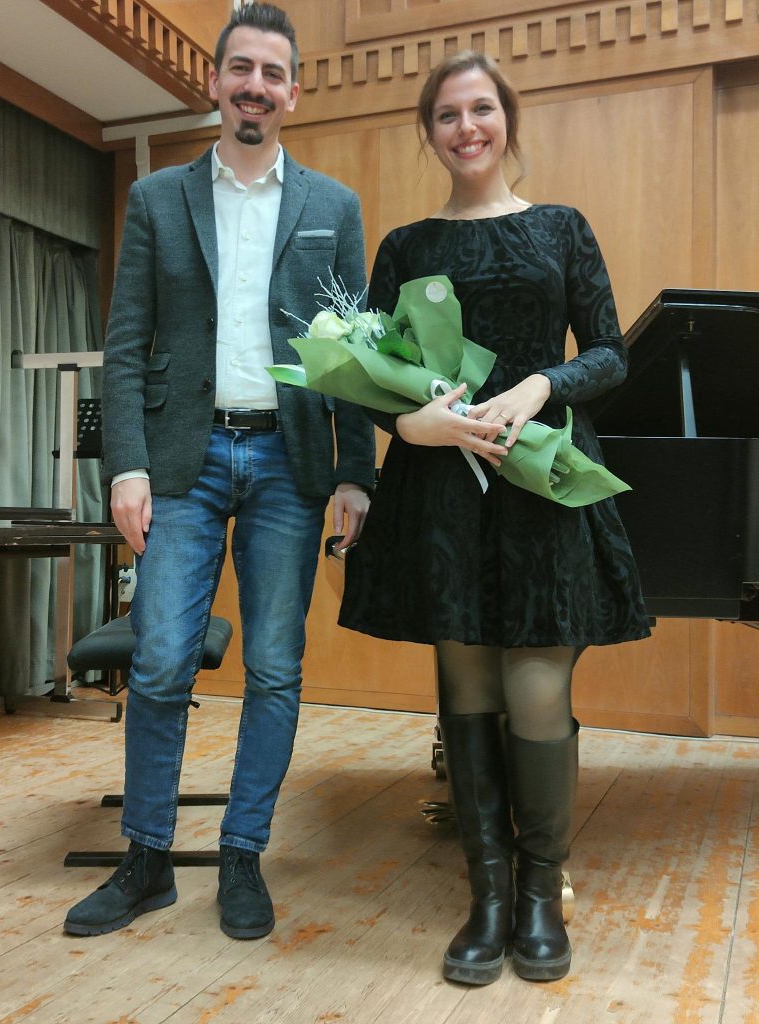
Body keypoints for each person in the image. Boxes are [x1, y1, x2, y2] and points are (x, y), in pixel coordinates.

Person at [338, 52, 650, 985]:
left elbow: (610, 352)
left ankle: (540, 894)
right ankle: (487, 893)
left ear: (507, 119)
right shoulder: (405, 245)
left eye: (481, 109)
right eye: (447, 115)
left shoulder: (561, 227)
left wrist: (542, 384)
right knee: (467, 684)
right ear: (429, 133)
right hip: (444, 490)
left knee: (537, 684)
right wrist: (414, 425)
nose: (466, 127)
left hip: (540, 480)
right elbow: (368, 379)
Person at [64, 2, 374, 940]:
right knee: (161, 659)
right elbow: (127, 344)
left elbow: (357, 354)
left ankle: (242, 856)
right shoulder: (159, 197)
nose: (255, 86)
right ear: (215, 80)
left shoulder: (332, 207)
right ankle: (147, 860)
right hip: (181, 460)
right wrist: (125, 466)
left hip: (290, 460)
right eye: (241, 68)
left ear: (292, 92)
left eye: (273, 73)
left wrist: (355, 472)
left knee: (275, 667)